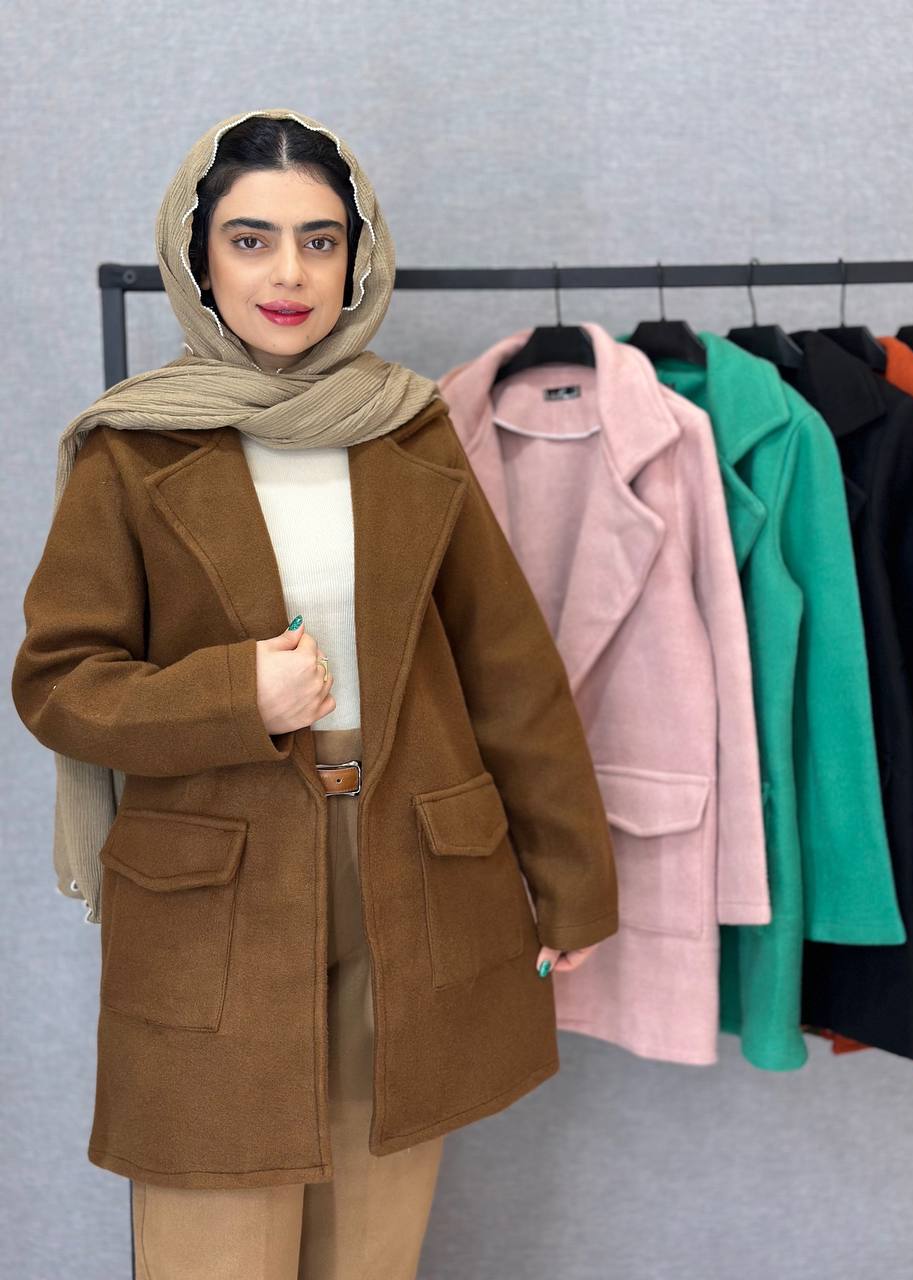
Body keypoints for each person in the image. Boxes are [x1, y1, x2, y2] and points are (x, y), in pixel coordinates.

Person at [11, 108, 618, 1278]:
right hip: (217, 893)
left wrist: (573, 882)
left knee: (372, 1248)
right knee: (212, 1243)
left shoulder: (408, 428)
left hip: (414, 874)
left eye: (320, 239)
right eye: (250, 239)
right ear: (198, 258)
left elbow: (508, 671)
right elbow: (60, 683)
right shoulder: (130, 450)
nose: (289, 273)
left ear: (357, 256)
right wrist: (235, 692)